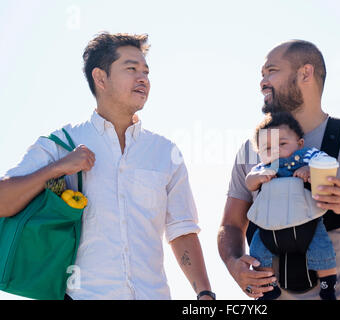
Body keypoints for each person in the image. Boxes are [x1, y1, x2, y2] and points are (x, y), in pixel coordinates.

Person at [0, 32, 215, 300]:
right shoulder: (60, 144)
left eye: (146, 72)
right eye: (131, 69)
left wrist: (205, 293)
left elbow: (182, 230)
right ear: (100, 78)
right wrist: (57, 169)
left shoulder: (165, 152)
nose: (143, 79)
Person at [218, 40, 340, 300]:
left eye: (271, 71)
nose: (262, 82)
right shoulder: (251, 150)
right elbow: (231, 225)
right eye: (261, 75)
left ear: (305, 73)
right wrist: (234, 264)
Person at [246, 111, 338, 300]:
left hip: (306, 221)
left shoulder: (306, 156)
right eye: (268, 148)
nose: (276, 151)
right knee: (257, 250)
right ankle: (268, 287)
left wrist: (310, 170)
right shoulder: (263, 168)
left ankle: (328, 287)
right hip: (269, 227)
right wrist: (258, 178)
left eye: (282, 144)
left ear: (300, 143)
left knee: (321, 245)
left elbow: (327, 164)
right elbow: (249, 182)